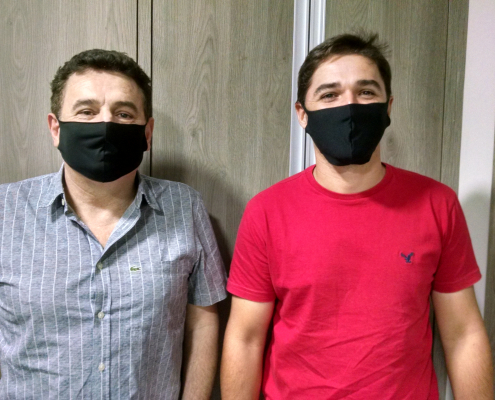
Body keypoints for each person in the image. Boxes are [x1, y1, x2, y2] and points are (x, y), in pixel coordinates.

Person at [221, 33, 493, 399]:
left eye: (365, 92)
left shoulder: (437, 204)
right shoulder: (267, 212)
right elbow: (245, 339)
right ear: (302, 114)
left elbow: (463, 334)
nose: (349, 106)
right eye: (329, 95)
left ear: (387, 107)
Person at [0, 49, 226, 399]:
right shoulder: (6, 211)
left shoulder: (185, 207)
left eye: (123, 114)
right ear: (55, 128)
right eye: (86, 112)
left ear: (147, 132)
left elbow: (202, 323)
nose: (105, 125)